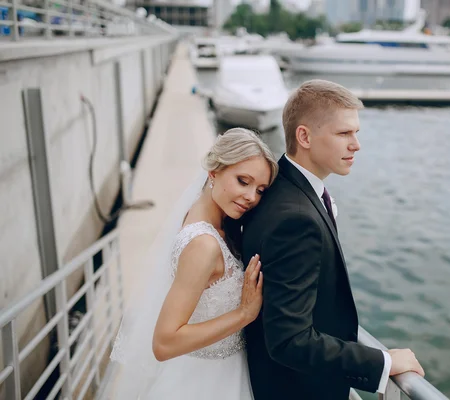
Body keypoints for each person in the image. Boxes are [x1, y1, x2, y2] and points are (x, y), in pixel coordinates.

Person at [242, 80, 425, 400]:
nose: (356, 145)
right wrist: (383, 362)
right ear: (304, 136)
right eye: (344, 134)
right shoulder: (295, 218)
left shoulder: (284, 187)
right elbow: (289, 340)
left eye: (356, 133)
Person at [110, 128, 278, 399]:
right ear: (214, 172)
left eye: (260, 190)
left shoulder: (204, 218)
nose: (251, 197)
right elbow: (164, 343)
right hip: (203, 383)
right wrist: (244, 314)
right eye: (242, 181)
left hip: (221, 373)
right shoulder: (203, 244)